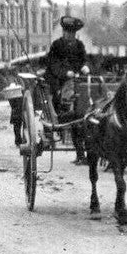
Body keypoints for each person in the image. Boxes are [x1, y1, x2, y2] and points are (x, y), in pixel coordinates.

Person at [44, 16, 88, 164]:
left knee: (84, 92)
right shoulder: (56, 45)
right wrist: (65, 73)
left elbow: (84, 60)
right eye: (69, 33)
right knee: (62, 98)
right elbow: (53, 64)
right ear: (63, 32)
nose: (71, 36)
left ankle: (82, 154)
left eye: (73, 34)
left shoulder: (79, 45)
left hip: (76, 80)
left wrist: (85, 66)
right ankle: (61, 114)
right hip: (59, 80)